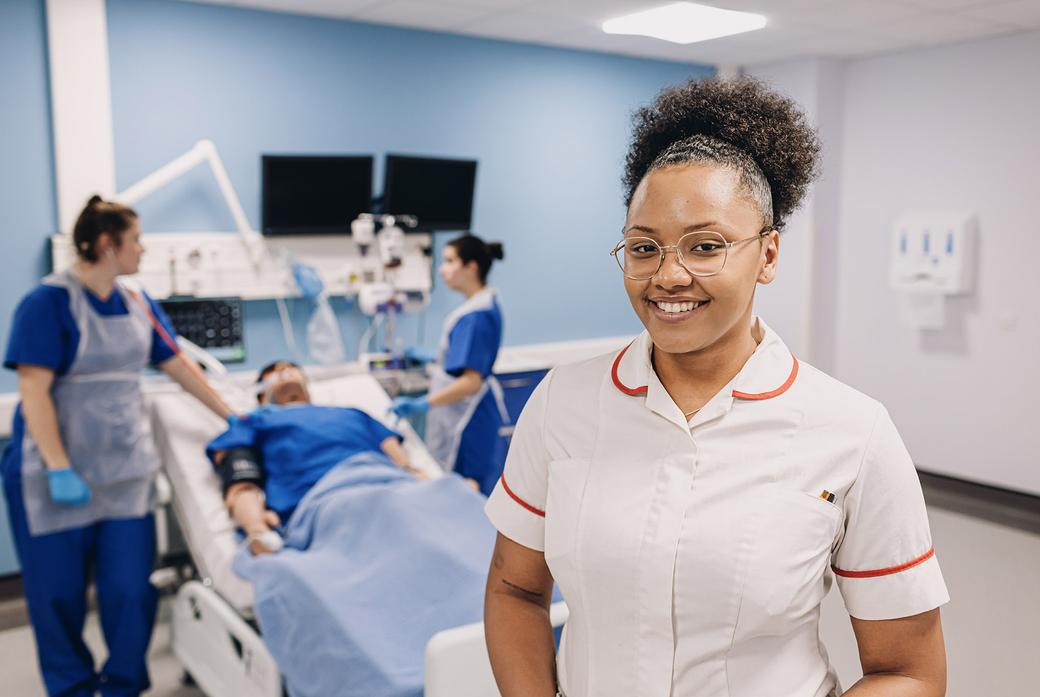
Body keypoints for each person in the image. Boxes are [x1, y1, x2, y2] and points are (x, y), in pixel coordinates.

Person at [483, 78, 950, 697]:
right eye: (644, 248)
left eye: (705, 246)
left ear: (768, 255)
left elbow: (909, 672)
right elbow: (514, 590)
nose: (668, 276)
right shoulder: (562, 403)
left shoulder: (852, 432)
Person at [1, 195, 235, 697]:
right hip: (54, 475)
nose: (143, 250)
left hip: (124, 475)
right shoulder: (47, 303)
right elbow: (34, 393)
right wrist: (59, 467)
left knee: (130, 590)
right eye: (137, 240)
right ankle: (72, 688)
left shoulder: (136, 301)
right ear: (107, 244)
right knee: (57, 596)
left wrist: (232, 416)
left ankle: (123, 685)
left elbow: (177, 366)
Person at [207, 360, 427, 554]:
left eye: (292, 369)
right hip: (323, 500)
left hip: (392, 488)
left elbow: (402, 462)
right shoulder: (253, 422)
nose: (284, 370)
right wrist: (257, 528)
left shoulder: (353, 413)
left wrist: (424, 485)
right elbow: (241, 478)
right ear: (262, 397)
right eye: (274, 373)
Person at [390, 235, 508, 495]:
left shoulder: (475, 317)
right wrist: (437, 359)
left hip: (469, 416)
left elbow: (471, 381)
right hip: (470, 411)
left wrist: (423, 403)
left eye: (450, 261)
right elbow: (468, 360)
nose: (442, 269)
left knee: (467, 493)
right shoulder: (482, 304)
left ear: (471, 267)